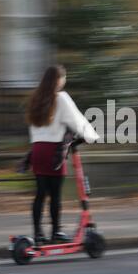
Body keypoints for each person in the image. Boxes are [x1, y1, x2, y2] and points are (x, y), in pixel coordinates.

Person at [25, 65, 99, 243]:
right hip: (53, 152)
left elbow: (33, 127)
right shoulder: (61, 98)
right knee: (55, 195)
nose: (64, 81)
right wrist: (90, 136)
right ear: (58, 80)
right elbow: (76, 120)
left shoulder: (36, 98)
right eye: (64, 78)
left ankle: (38, 234)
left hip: (37, 151)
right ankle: (56, 232)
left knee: (40, 194)